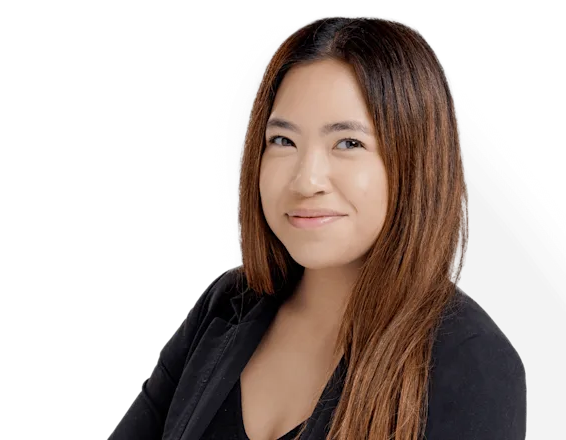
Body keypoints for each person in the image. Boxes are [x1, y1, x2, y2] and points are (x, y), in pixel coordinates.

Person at [110, 15, 526, 440]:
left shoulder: (473, 362)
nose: (306, 181)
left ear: (417, 163)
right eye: (283, 141)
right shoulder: (229, 303)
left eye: (349, 143)